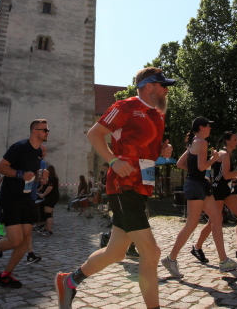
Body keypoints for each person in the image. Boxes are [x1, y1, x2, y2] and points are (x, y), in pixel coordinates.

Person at [55, 67, 175, 309]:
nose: (166, 90)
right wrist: (112, 160)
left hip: (142, 187)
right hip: (123, 186)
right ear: (149, 85)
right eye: (163, 85)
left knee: (116, 253)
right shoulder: (125, 107)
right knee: (151, 252)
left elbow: (148, 151)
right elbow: (94, 134)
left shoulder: (158, 115)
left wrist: (163, 152)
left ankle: (69, 281)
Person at [162, 117, 237, 279]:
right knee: (191, 224)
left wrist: (195, 171)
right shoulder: (202, 143)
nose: (210, 128)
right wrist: (213, 158)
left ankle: (223, 261)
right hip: (197, 186)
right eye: (208, 126)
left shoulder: (194, 142)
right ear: (201, 127)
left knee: (217, 219)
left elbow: (179, 164)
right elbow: (201, 166)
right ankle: (170, 259)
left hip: (200, 185)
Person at [0, 119, 48, 289]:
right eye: (45, 129)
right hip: (11, 198)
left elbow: (32, 176)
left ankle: (6, 275)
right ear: (34, 131)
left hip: (27, 199)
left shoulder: (38, 152)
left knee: (25, 239)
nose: (47, 132)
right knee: (15, 240)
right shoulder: (19, 147)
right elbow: (0, 168)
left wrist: (41, 176)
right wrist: (20, 174)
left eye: (48, 129)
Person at [191, 131, 237, 263]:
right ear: (227, 141)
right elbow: (226, 175)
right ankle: (197, 247)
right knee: (213, 222)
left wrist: (234, 176)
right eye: (235, 139)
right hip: (217, 191)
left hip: (226, 190)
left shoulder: (226, 154)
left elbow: (224, 175)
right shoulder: (224, 154)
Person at [39, 164, 60, 236]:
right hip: (51, 196)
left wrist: (43, 195)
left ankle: (49, 230)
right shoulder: (51, 177)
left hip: (51, 196)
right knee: (46, 213)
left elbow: (50, 187)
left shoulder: (52, 178)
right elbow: (44, 186)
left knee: (48, 214)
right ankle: (46, 228)